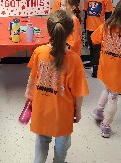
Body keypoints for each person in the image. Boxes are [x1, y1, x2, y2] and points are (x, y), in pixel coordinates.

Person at [25, 10, 89, 163]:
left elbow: (32, 78)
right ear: (71, 32)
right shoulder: (74, 60)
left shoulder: (39, 52)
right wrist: (78, 112)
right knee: (62, 144)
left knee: (41, 140)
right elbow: (78, 93)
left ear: (48, 30)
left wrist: (28, 93)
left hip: (41, 109)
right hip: (62, 113)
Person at [91, 0, 121, 138]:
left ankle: (99, 110)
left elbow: (94, 39)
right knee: (114, 96)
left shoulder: (107, 25)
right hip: (118, 68)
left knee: (108, 87)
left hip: (105, 63)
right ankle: (106, 125)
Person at [83, 0, 113, 77]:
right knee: (91, 47)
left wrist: (106, 27)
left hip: (99, 28)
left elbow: (109, 14)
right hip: (89, 27)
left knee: (97, 49)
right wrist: (85, 26)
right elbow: (86, 13)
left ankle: (96, 68)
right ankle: (92, 61)